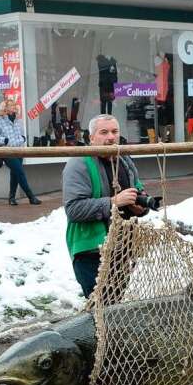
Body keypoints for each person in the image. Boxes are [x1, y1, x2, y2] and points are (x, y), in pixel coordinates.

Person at [62, 114, 148, 298]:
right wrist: (113, 202)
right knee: (101, 308)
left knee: (114, 305)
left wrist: (141, 206)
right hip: (91, 251)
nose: (110, 137)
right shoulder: (78, 163)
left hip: (123, 248)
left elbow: (138, 190)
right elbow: (74, 210)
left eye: (114, 131)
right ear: (91, 138)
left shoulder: (124, 160)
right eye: (104, 132)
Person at [0, 100, 41, 206]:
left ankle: (11, 198)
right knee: (20, 172)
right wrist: (4, 140)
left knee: (15, 174)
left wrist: (22, 139)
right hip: (7, 151)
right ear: (5, 108)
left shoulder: (18, 120)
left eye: (14, 105)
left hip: (18, 150)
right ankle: (31, 196)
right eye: (11, 105)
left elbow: (22, 135)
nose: (14, 107)